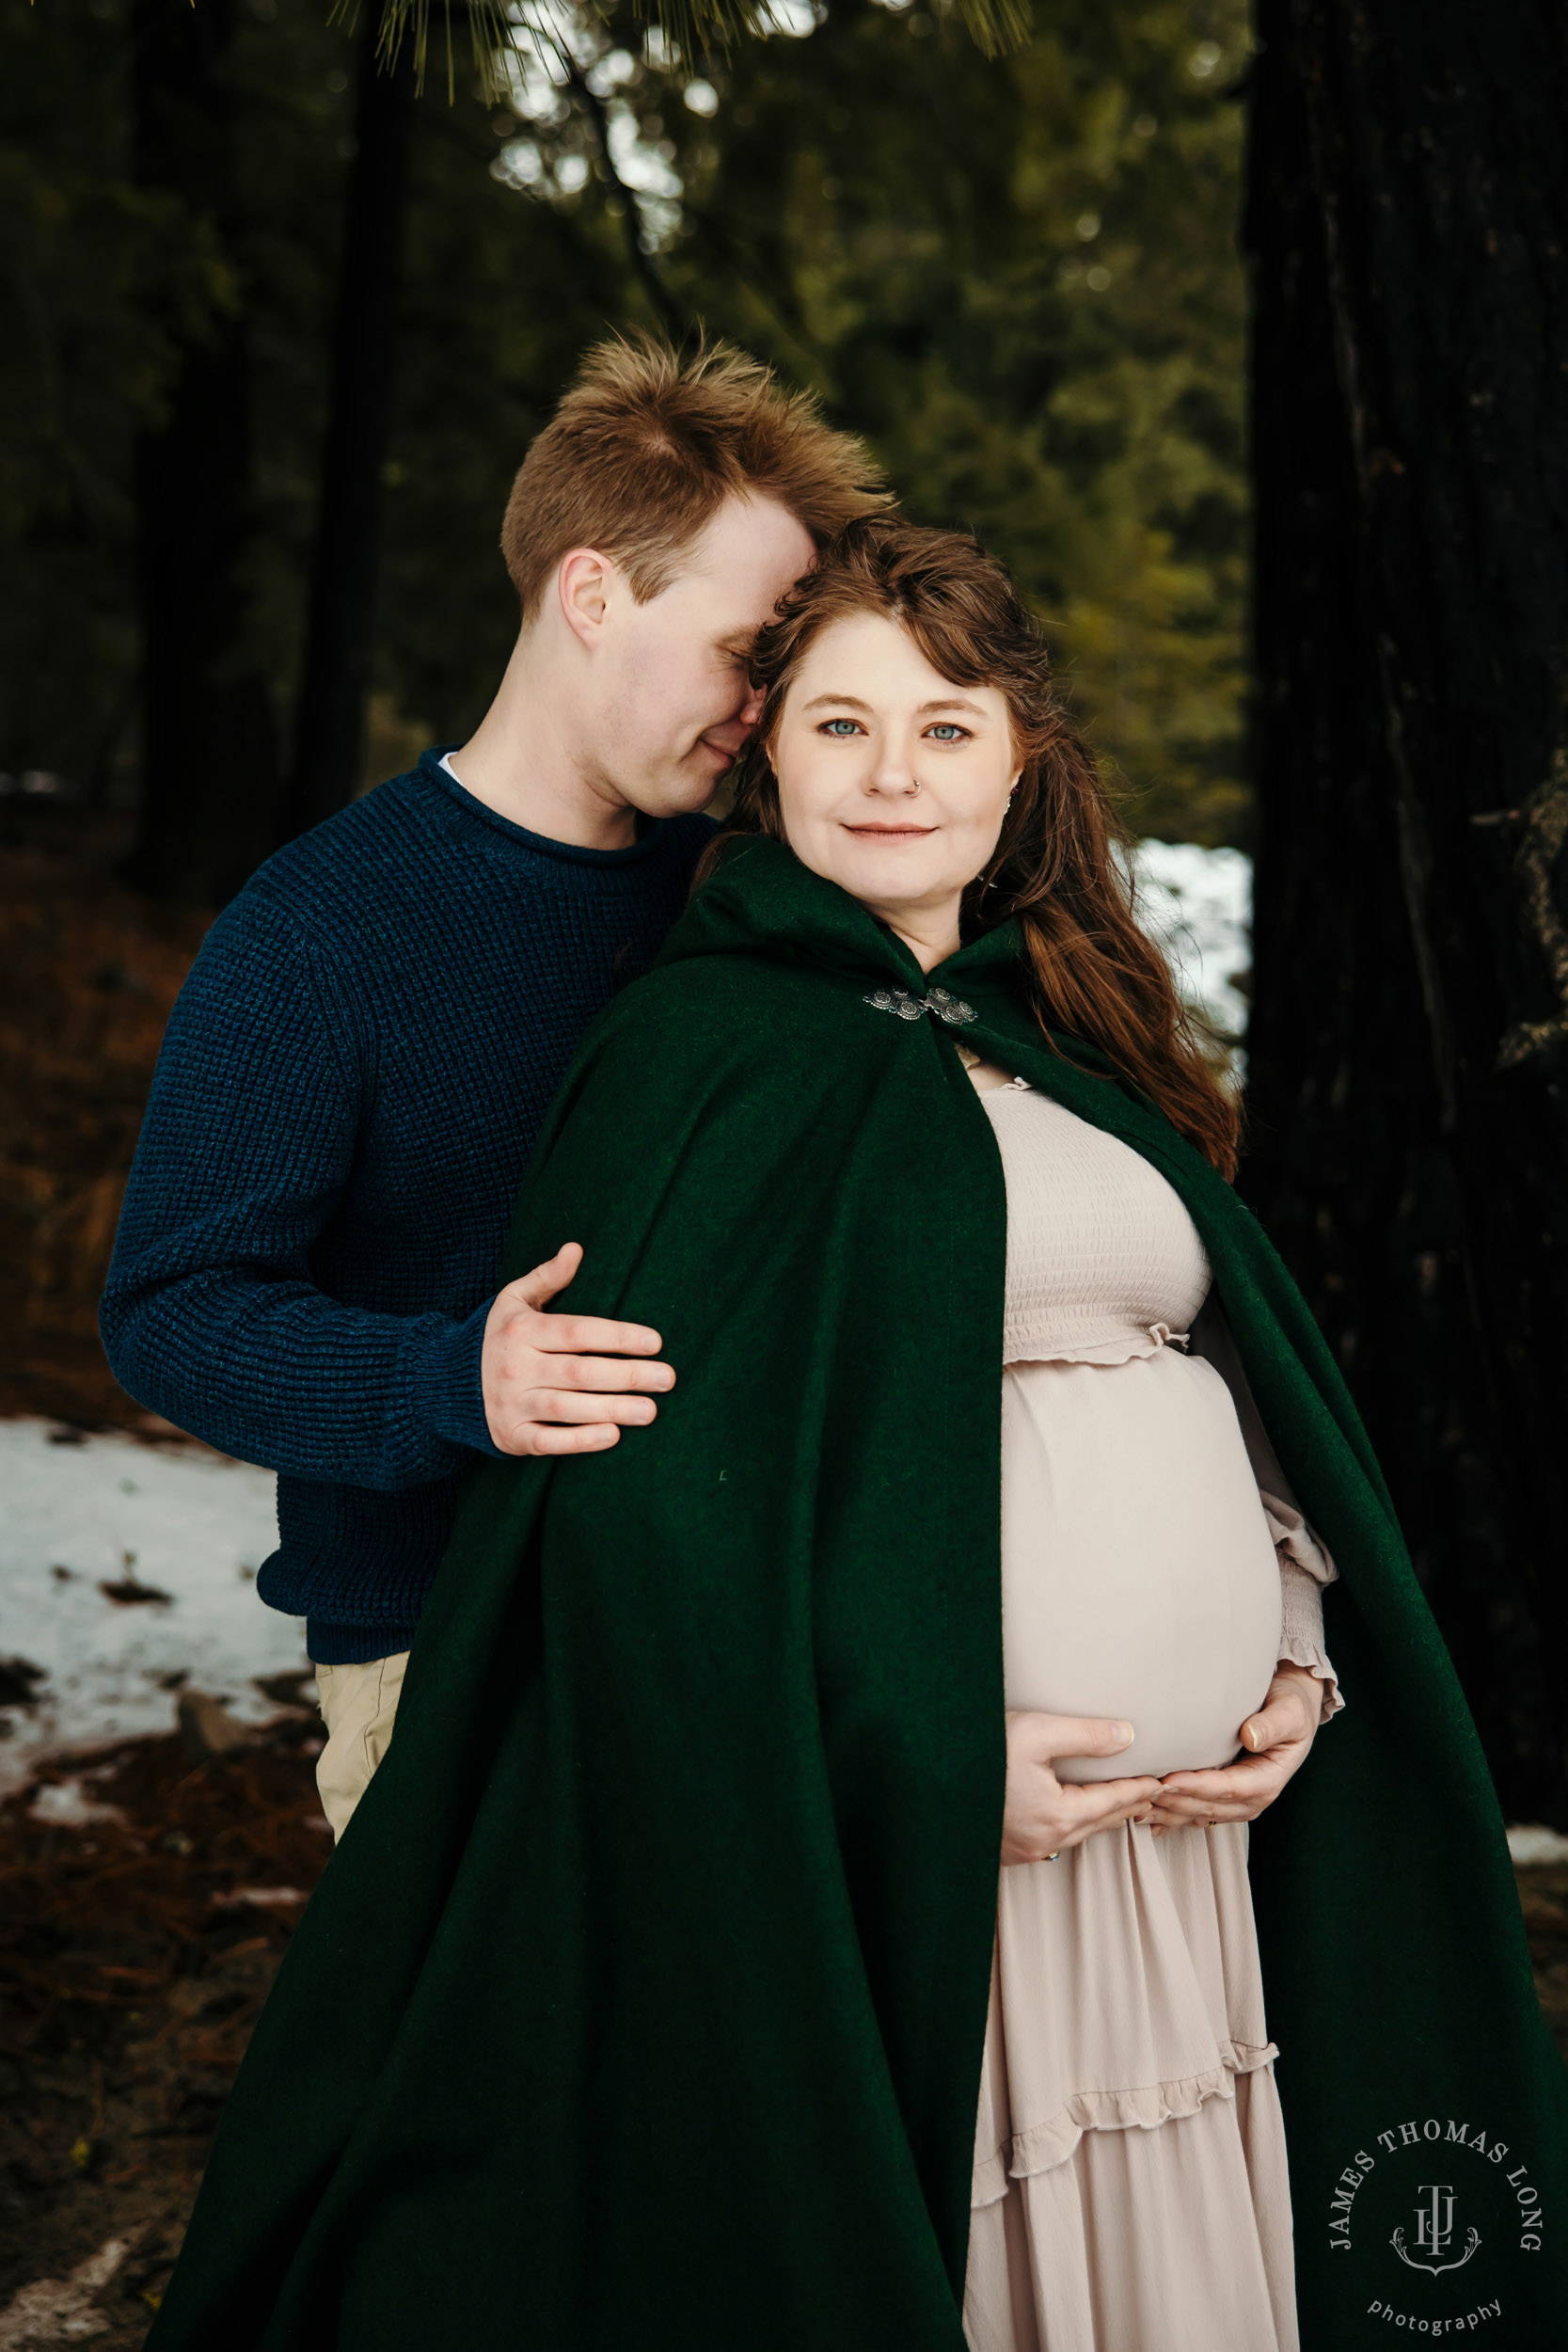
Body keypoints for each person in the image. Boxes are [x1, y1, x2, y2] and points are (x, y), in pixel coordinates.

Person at [142, 520, 1567, 2352]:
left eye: (948, 725)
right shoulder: (700, 1055)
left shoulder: (1063, 1024)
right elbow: (666, 1523)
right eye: (840, 722)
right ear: (768, 760)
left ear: (1024, 754)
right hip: (921, 1855)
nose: (896, 771)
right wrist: (921, 1754)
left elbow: (1228, 1372)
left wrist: (1293, 1639)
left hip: (1181, 1850)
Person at [100, 334, 884, 1836]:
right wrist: (450, 1381)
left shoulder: (738, 898)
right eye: (743, 650)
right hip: (446, 1653)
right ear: (593, 593)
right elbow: (171, 1309)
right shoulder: (322, 925)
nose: (760, 708)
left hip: (736, 1638)